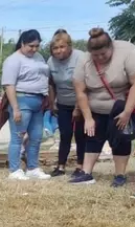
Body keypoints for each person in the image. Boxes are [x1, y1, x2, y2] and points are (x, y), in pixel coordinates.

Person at [71, 27, 135, 185]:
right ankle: (86, 173)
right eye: (95, 55)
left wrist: (127, 113)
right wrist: (88, 118)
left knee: (120, 140)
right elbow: (80, 92)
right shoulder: (84, 60)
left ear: (111, 47)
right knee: (91, 137)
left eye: (103, 54)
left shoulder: (129, 52)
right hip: (95, 107)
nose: (99, 58)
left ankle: (120, 175)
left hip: (121, 107)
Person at [2, 29, 51, 180]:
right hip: (22, 100)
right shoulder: (13, 60)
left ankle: (32, 167)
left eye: (37, 46)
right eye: (31, 46)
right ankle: (15, 170)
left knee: (36, 136)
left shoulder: (39, 57)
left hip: (38, 101)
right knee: (18, 136)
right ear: (22, 43)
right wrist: (15, 108)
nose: (34, 49)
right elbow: (9, 85)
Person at [47, 29, 87, 177]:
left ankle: (80, 165)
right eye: (55, 48)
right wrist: (52, 103)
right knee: (65, 134)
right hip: (63, 102)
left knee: (80, 134)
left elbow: (85, 84)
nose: (59, 51)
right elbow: (51, 84)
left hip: (81, 101)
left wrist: (78, 107)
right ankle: (61, 166)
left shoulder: (81, 57)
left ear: (70, 46)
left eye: (62, 47)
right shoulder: (50, 61)